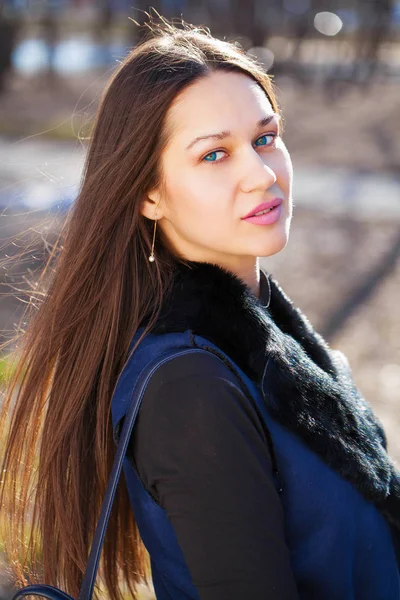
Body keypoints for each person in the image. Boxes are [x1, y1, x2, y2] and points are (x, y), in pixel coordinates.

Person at [0, 16, 399, 600]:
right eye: (215, 155)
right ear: (148, 194)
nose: (261, 176)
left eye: (265, 138)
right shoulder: (192, 386)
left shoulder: (273, 338)